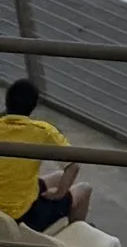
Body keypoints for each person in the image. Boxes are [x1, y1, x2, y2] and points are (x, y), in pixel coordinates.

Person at [0, 75, 87, 233]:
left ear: (7, 101)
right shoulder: (42, 131)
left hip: (7, 205)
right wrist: (60, 193)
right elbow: (73, 165)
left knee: (58, 175)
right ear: (34, 105)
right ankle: (72, 237)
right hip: (23, 215)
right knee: (84, 190)